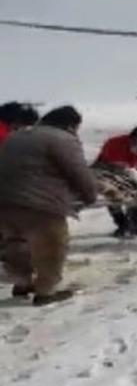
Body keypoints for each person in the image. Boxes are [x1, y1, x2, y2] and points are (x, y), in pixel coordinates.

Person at [0, 106, 97, 305]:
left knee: (16, 243)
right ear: (71, 125)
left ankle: (21, 283)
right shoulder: (62, 139)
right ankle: (46, 291)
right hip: (41, 204)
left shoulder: (16, 136)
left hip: (4, 202)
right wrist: (90, 196)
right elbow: (77, 171)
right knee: (51, 246)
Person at [94, 124, 137, 238]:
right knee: (114, 198)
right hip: (106, 171)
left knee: (136, 197)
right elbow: (115, 166)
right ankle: (122, 224)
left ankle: (136, 225)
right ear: (133, 137)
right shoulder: (114, 143)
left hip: (129, 173)